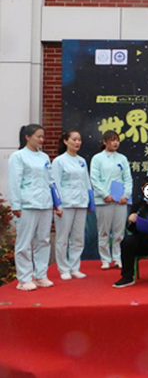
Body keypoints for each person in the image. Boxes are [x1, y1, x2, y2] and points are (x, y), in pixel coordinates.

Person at [9, 124, 62, 291]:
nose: (41, 139)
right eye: (38, 136)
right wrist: (16, 204)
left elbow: (51, 181)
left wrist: (57, 203)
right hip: (27, 204)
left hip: (45, 203)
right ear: (27, 137)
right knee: (24, 242)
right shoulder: (18, 156)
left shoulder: (44, 157)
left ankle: (40, 275)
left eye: (43, 136)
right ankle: (24, 278)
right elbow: (15, 182)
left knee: (43, 240)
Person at [52, 130, 93, 280]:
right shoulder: (59, 161)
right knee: (63, 238)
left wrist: (90, 202)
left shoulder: (82, 161)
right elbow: (55, 183)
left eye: (79, 140)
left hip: (81, 202)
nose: (77, 142)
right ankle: (63, 268)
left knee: (78, 237)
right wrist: (57, 205)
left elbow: (87, 182)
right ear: (65, 141)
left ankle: (75, 267)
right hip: (66, 203)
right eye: (74, 139)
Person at [90, 130, 133, 270]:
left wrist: (126, 195)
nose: (115, 143)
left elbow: (128, 179)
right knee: (103, 231)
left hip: (120, 201)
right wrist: (104, 195)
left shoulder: (122, 158)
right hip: (104, 201)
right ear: (105, 142)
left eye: (117, 140)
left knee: (119, 232)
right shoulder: (97, 158)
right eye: (112, 140)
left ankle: (118, 257)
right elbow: (94, 179)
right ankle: (105, 259)